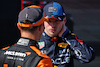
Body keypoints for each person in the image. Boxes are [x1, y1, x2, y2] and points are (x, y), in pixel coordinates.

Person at [38, 2, 95, 67]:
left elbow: (87, 58)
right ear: (43, 21)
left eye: (56, 21)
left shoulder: (69, 39)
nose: (52, 25)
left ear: (64, 20)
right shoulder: (36, 38)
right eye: (49, 21)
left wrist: (67, 36)